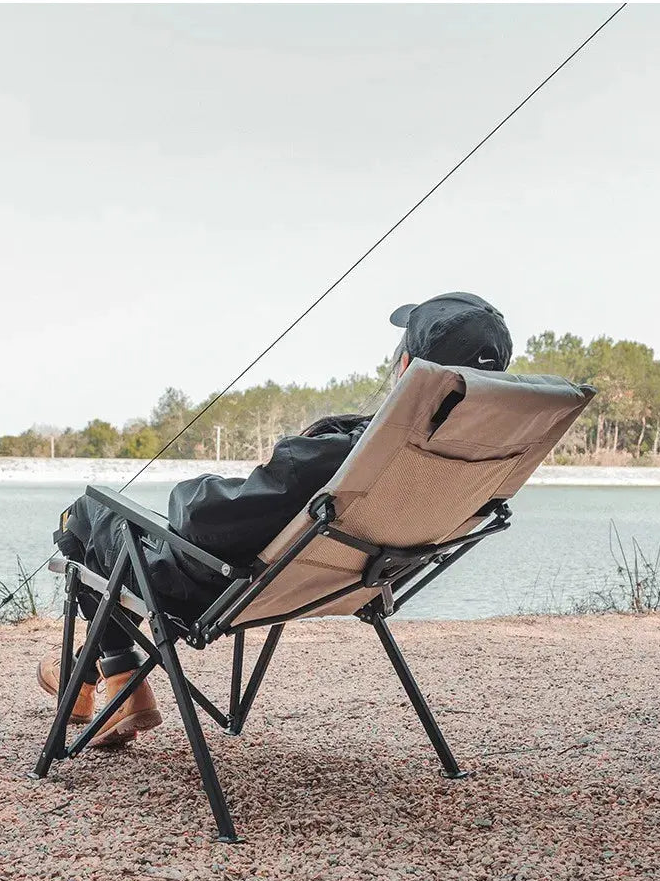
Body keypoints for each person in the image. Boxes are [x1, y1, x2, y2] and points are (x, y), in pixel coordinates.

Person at [37, 291, 513, 746]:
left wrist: (196, 486)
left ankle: (106, 672)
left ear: (409, 369)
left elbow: (201, 521)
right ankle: (111, 673)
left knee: (87, 515)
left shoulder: (342, 454)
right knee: (122, 538)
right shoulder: (475, 462)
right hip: (339, 583)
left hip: (217, 588)